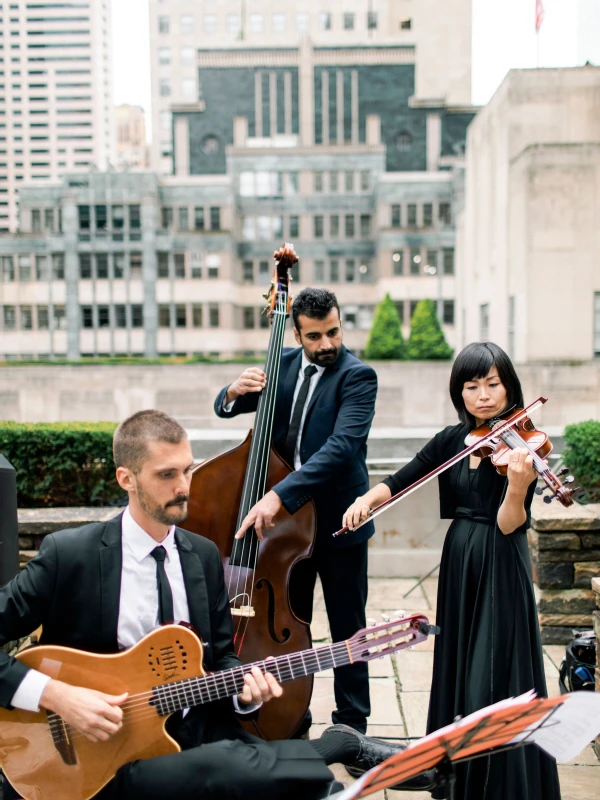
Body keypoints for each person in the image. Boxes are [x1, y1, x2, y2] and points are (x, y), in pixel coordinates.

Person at [0, 410, 422, 800]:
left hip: (196, 729)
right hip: (104, 753)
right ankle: (335, 746)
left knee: (310, 785)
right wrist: (57, 695)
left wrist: (244, 693)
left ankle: (326, 759)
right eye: (166, 475)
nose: (184, 487)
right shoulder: (70, 555)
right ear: (125, 478)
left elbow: (221, 657)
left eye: (187, 469)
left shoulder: (202, 556)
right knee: (237, 771)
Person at [343, 342, 562, 800]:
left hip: (499, 563)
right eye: (472, 385)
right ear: (459, 391)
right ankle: (460, 778)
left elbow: (509, 524)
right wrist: (365, 501)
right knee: (461, 665)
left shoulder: (522, 446)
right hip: (461, 560)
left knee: (493, 669)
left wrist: (518, 486)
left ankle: (500, 784)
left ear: (509, 387)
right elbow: (401, 479)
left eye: (493, 384)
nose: (483, 395)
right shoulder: (450, 440)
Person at [215, 287, 377, 739]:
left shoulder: (359, 376)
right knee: (290, 626)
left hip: (339, 521)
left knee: (350, 627)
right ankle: (292, 718)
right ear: (297, 332)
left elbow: (340, 450)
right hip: (287, 530)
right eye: (315, 336)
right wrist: (230, 392)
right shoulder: (280, 365)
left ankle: (352, 723)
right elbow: (231, 407)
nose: (327, 344)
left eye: (334, 332)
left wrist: (277, 495)